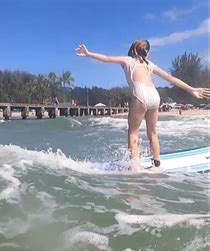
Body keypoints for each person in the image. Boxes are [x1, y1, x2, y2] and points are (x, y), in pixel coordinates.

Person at [75, 40, 210, 169]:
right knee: (152, 132)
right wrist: (191, 89)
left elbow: (106, 58)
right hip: (154, 95)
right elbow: (171, 78)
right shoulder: (150, 65)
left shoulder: (128, 60)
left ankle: (134, 166)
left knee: (133, 132)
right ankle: (157, 164)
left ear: (133, 49)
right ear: (146, 52)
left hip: (140, 94)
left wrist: (88, 53)